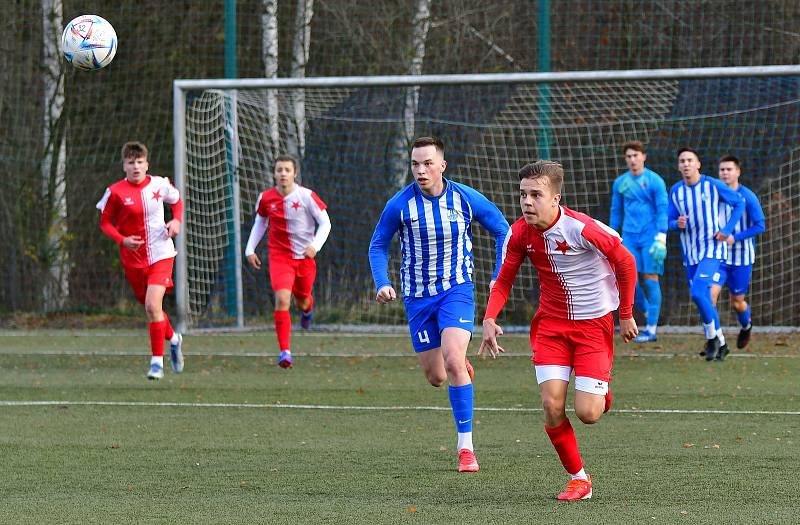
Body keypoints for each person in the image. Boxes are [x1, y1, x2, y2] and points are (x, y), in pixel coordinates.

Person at [479, 160, 638, 501]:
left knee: (588, 414)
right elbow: (504, 278)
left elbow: (625, 262)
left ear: (555, 199)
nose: (527, 202)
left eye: (536, 195)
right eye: (522, 194)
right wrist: (490, 318)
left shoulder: (581, 229)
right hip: (551, 327)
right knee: (552, 406)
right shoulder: (520, 232)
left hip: (593, 326)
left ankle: (602, 390)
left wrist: (625, 314)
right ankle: (579, 479)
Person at [368, 136, 510, 473]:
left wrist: (498, 276)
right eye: (415, 164)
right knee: (436, 376)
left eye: (428, 163)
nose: (420, 170)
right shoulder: (399, 205)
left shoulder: (464, 197)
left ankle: (466, 449)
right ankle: (457, 365)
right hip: (418, 299)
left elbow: (504, 230)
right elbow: (378, 245)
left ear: (442, 165)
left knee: (453, 360)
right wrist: (383, 282)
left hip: (456, 291)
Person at [97, 141, 184, 380]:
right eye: (130, 162)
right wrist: (122, 240)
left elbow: (176, 202)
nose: (135, 166)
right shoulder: (115, 192)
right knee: (152, 310)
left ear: (147, 164)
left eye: (139, 162)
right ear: (124, 166)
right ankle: (175, 339)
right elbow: (105, 223)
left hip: (161, 254)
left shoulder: (159, 185)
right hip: (133, 259)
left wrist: (176, 221)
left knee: (152, 306)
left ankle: (157, 363)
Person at [245, 155, 331, 369]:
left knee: (302, 299)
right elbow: (260, 222)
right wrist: (249, 249)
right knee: (282, 298)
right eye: (279, 170)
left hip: (304, 258)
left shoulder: (306, 196)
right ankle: (285, 352)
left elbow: (325, 223)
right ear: (274, 173)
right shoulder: (265, 198)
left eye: (287, 170)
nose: (283, 173)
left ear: (294, 173)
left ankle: (307, 310)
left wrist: (315, 246)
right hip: (279, 257)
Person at [667, 148, 745, 361]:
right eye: (682, 161)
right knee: (703, 299)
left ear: (698, 164)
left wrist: (727, 230)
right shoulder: (676, 191)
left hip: (712, 250)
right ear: (678, 166)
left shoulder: (712, 185)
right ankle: (721, 342)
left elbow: (739, 202)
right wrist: (676, 223)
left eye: (689, 160)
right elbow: (667, 221)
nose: (686, 164)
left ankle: (711, 338)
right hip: (690, 254)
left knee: (698, 292)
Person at [609, 140, 668, 342]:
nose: (633, 160)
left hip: (651, 238)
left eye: (636, 155)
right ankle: (652, 311)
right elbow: (616, 212)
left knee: (651, 280)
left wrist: (661, 238)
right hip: (629, 238)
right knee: (628, 281)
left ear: (644, 156)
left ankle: (651, 330)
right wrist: (611, 236)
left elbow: (662, 209)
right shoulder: (620, 183)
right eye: (629, 156)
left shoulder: (655, 181)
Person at [710, 155, 765, 349]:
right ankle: (715, 340)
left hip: (742, 258)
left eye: (729, 169)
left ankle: (746, 325)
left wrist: (736, 237)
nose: (725, 173)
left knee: (737, 302)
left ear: (738, 172)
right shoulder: (714, 194)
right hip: (718, 257)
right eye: (722, 170)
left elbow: (760, 226)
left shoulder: (747, 197)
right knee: (710, 296)